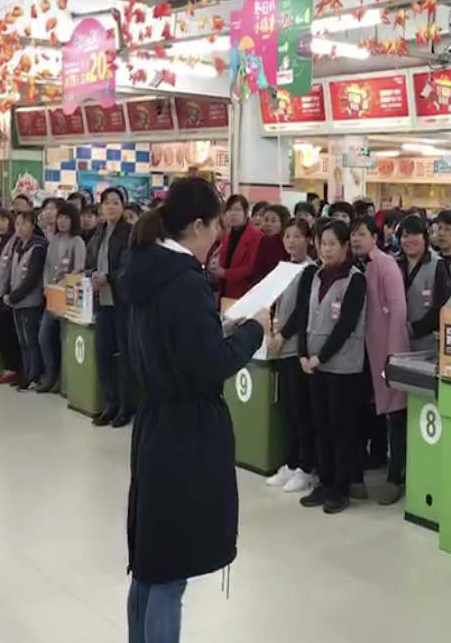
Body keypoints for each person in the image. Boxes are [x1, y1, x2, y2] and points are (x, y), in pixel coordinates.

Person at [120, 177, 267, 643]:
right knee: (171, 571)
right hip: (186, 432)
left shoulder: (145, 269)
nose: (220, 236)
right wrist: (253, 331)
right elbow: (210, 366)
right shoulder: (185, 282)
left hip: (156, 422)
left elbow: (175, 344)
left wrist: (214, 327)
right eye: (217, 226)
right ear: (198, 225)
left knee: (149, 563)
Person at [280, 220, 368, 514]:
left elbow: (346, 325)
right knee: (320, 425)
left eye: (332, 244)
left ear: (345, 246)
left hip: (342, 367)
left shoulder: (355, 279)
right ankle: (325, 481)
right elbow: (304, 315)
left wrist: (322, 356)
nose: (326, 249)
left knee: (341, 428)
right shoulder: (314, 275)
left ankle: (341, 487)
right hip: (313, 364)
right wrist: (303, 354)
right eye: (322, 243)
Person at [350, 216, 409, 504]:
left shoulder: (386, 265)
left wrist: (393, 354)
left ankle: (395, 476)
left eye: (361, 233)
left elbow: (398, 311)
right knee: (366, 411)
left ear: (375, 237)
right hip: (360, 352)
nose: (356, 239)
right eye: (353, 234)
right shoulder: (354, 267)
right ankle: (368, 465)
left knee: (395, 413)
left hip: (385, 350)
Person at [266, 218, 319, 495]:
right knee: (287, 409)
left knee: (301, 411)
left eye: (297, 236)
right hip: (280, 346)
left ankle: (306, 468)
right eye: (287, 236)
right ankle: (290, 462)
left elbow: (301, 311)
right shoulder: (284, 268)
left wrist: (282, 336)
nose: (291, 241)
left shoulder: (309, 270)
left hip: (296, 347)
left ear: (308, 240)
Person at [86, 187, 136, 428]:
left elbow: (130, 266)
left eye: (116, 203)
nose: (111, 207)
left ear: (123, 206)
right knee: (102, 353)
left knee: (125, 355)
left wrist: (109, 277)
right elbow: (90, 261)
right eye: (107, 203)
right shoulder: (99, 232)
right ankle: (110, 403)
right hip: (102, 300)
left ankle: (126, 406)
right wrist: (92, 275)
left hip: (122, 301)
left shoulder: (129, 233)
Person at [36, 202, 86, 393]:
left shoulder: (77, 241)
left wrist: (62, 285)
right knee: (44, 336)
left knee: (63, 337)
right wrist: (47, 286)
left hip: (69, 295)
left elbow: (79, 268)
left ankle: (62, 379)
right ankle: (51, 373)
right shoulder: (54, 240)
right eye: (60, 218)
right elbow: (47, 267)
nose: (63, 222)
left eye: (67, 218)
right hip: (52, 295)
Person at [5, 210, 48, 390]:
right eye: (17, 224)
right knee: (22, 339)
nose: (19, 228)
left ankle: (34, 374)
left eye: (24, 224)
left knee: (31, 339)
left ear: (32, 225)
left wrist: (14, 296)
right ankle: (26, 370)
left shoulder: (37, 248)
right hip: (16, 301)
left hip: (30, 301)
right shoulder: (17, 246)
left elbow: (32, 278)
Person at [398, 215, 451, 352]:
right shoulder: (394, 265)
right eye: (405, 236)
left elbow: (442, 306)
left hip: (428, 343)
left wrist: (414, 329)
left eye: (415, 235)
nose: (410, 240)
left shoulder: (437, 265)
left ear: (425, 237)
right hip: (397, 341)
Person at [0, 209, 21, 384]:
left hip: (10, 296)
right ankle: (8, 367)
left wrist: (9, 293)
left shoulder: (16, 241)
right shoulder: (0, 241)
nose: (0, 225)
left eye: (4, 220)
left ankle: (14, 368)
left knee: (7, 334)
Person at [214, 195, 263, 303]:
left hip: (244, 294)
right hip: (225, 293)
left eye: (237, 210)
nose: (233, 214)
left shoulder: (257, 237)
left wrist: (226, 274)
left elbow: (252, 268)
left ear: (246, 213)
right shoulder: (226, 237)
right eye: (229, 210)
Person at [254, 204, 289, 279]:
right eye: (266, 220)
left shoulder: (269, 242)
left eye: (273, 221)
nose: (268, 224)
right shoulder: (262, 239)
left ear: (282, 223)